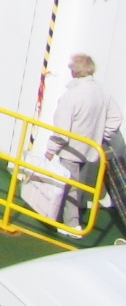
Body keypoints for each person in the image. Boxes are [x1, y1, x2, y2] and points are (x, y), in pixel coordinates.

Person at [42, 53, 122, 233]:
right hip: (91, 149)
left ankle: (72, 225)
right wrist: (102, 137)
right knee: (78, 186)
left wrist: (50, 150)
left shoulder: (71, 96)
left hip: (71, 150)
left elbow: (62, 131)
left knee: (69, 187)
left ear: (74, 72)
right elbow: (116, 117)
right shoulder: (102, 92)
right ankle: (69, 220)